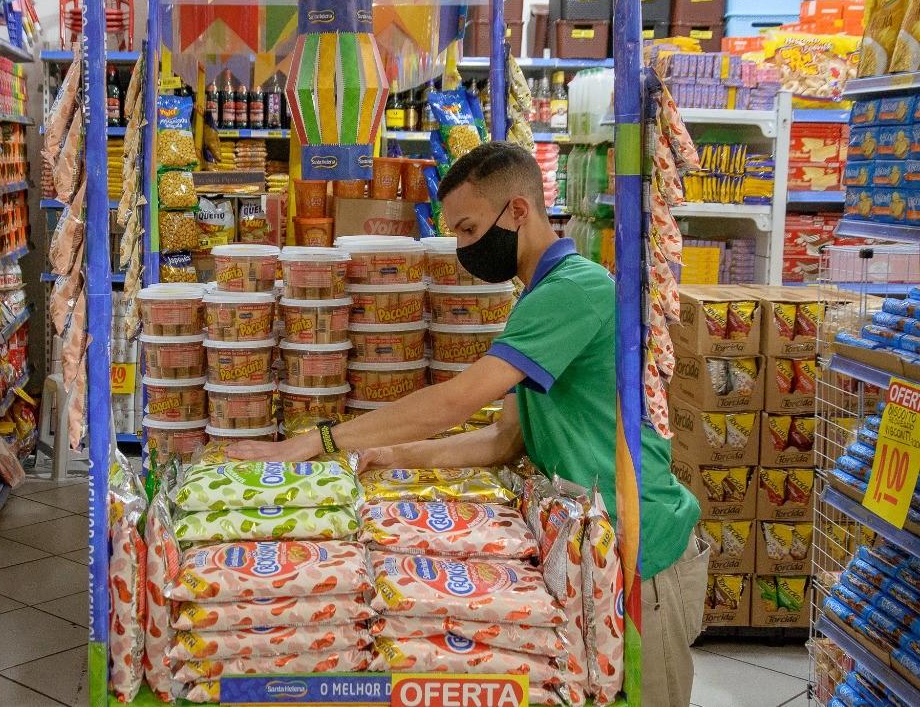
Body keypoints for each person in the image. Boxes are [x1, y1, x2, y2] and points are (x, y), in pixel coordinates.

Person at [228, 141, 705, 706]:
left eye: (468, 229)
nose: (462, 247)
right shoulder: (537, 297)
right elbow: (505, 440)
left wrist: (317, 440)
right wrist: (389, 458)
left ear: (519, 212)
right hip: (590, 541)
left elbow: (457, 401)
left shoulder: (575, 291)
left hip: (637, 548)